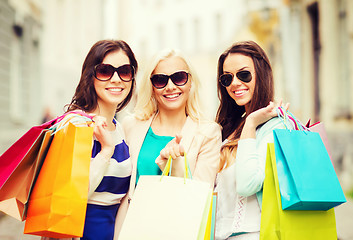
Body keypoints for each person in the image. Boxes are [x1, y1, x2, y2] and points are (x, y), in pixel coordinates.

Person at [116, 49, 222, 233]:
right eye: (160, 80)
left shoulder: (208, 133)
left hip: (178, 230)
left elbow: (200, 196)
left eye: (179, 77)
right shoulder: (130, 126)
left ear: (190, 82)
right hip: (132, 227)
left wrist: (175, 163)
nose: (170, 86)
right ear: (151, 86)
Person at [42, 39, 137, 240]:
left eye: (125, 71)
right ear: (90, 76)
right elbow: (70, 197)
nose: (116, 79)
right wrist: (105, 151)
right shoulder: (75, 124)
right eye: (105, 71)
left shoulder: (119, 129)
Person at [214, 41, 290, 240]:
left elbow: (247, 185)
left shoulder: (276, 127)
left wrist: (251, 123)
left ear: (261, 74)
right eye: (227, 78)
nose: (235, 83)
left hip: (257, 234)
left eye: (243, 74)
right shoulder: (230, 129)